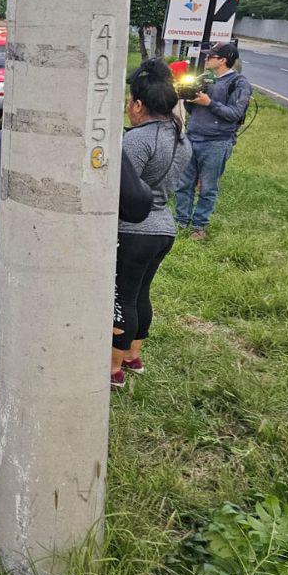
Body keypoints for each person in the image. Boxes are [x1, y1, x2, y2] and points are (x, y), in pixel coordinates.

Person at [0, 132, 152, 491]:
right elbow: (138, 207)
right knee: (63, 369)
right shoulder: (99, 143)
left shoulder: (0, 142)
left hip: (4, 272)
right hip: (75, 279)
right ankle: (52, 462)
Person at [112, 59, 191, 388]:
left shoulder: (137, 140)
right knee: (141, 294)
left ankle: (112, 368)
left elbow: (123, 189)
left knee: (121, 299)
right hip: (163, 229)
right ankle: (133, 356)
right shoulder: (181, 139)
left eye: (131, 101)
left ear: (139, 104)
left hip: (134, 231)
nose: (129, 107)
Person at [174, 41, 252, 240]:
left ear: (223, 60)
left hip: (217, 142)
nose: (206, 59)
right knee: (184, 184)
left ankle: (199, 226)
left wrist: (209, 103)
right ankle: (181, 221)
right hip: (193, 137)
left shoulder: (239, 83)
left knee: (208, 187)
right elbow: (193, 109)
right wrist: (190, 98)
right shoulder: (205, 78)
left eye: (211, 57)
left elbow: (235, 113)